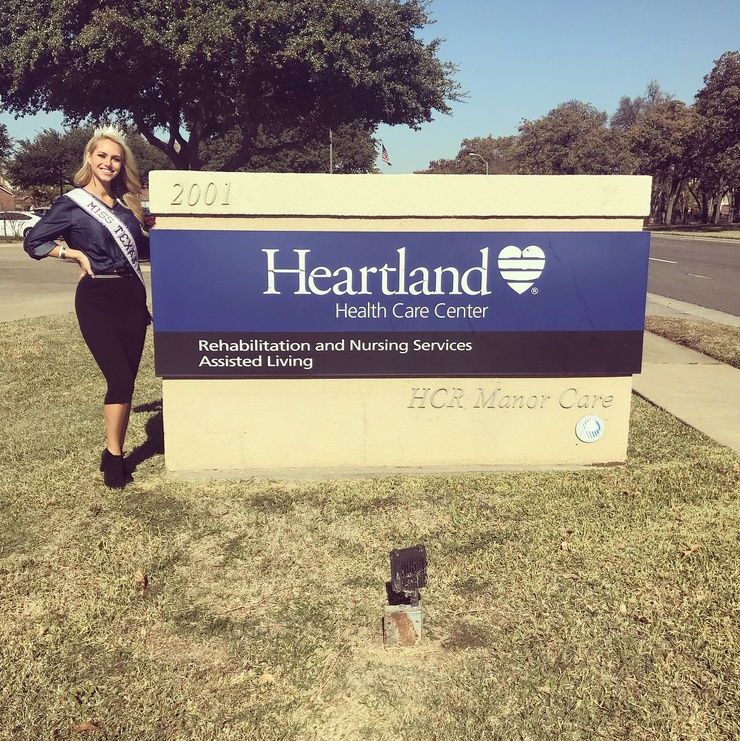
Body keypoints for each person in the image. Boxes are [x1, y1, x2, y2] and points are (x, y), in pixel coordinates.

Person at [24, 127, 152, 489]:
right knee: (119, 377)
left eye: (116, 159)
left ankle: (112, 452)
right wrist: (72, 253)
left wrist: (161, 231)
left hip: (131, 296)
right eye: (102, 156)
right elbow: (34, 242)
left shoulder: (128, 205)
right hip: (96, 298)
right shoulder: (72, 204)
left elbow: (143, 251)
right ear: (89, 158)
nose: (108, 163)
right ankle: (115, 456)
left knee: (127, 381)